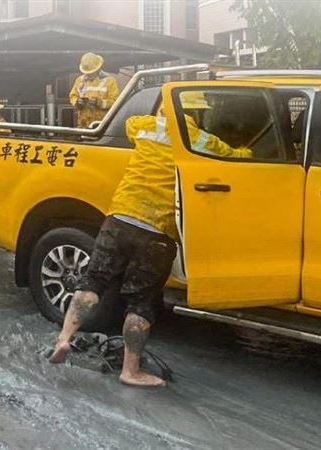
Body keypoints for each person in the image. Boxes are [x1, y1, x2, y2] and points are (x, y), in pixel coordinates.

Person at [49, 91, 251, 387]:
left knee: (93, 282)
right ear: (197, 115)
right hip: (156, 231)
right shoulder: (204, 141)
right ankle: (131, 371)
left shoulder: (145, 126)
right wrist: (249, 148)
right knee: (141, 303)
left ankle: (64, 339)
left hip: (119, 218)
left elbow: (130, 124)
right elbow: (238, 159)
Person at [69, 52, 120, 128]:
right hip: (83, 124)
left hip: (101, 125)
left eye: (91, 72)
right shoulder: (79, 80)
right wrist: (77, 102)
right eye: (86, 72)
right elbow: (73, 96)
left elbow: (116, 102)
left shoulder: (110, 81)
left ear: (98, 68)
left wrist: (99, 102)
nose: (88, 74)